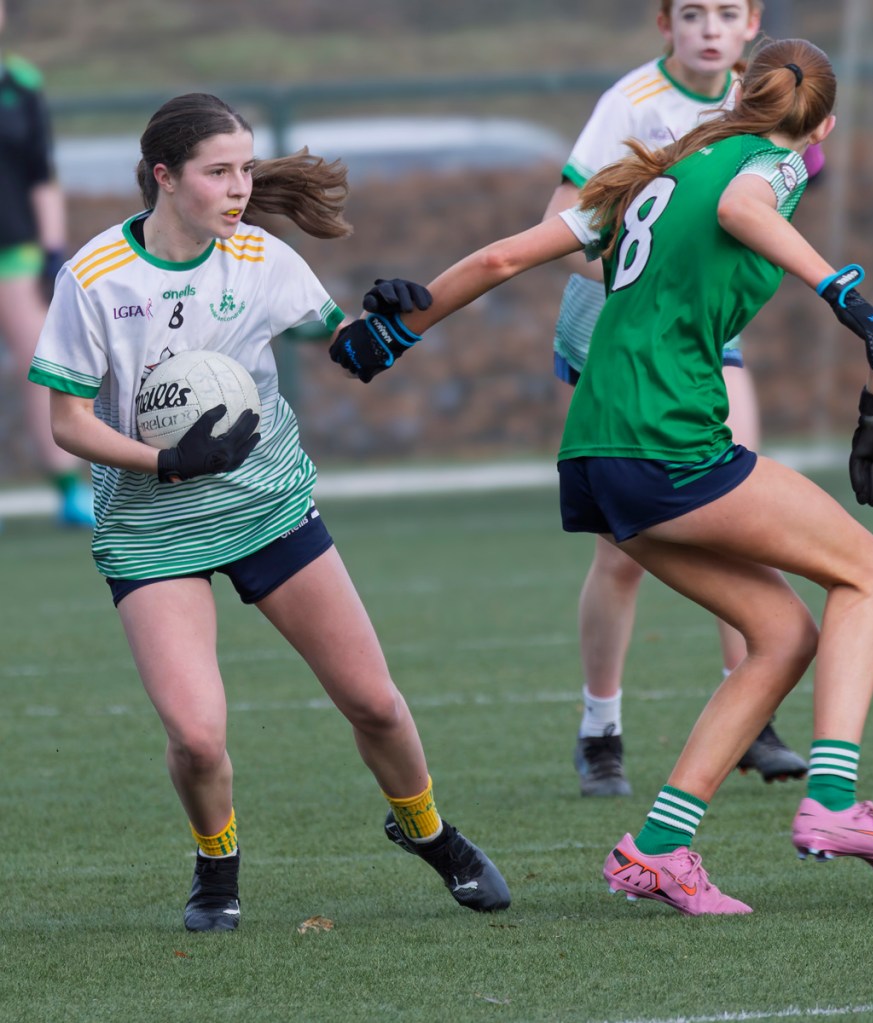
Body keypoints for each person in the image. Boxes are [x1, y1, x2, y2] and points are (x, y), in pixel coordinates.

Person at [331, 37, 873, 917]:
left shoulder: (650, 174)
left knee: (781, 634)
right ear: (820, 127)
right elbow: (748, 206)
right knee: (869, 571)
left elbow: (500, 260)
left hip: (594, 451)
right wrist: (840, 292)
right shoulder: (774, 166)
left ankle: (658, 850)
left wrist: (397, 331)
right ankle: (831, 802)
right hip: (666, 440)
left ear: (739, 96)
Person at [27, 93, 510, 932]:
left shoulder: (259, 256)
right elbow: (66, 422)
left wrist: (387, 317)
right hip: (152, 530)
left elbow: (346, 345)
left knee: (375, 703)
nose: (239, 188)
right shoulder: (95, 278)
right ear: (163, 176)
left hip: (267, 508)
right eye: (218, 172)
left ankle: (429, 831)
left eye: (246, 169)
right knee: (196, 736)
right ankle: (216, 865)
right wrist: (165, 461)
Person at [542, 0, 807, 795]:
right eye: (691, 13)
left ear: (752, 23)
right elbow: (560, 225)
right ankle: (599, 729)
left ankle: (751, 714)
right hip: (615, 329)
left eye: (726, 12)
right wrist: (646, 273)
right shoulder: (631, 103)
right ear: (665, 25)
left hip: (697, 332)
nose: (708, 28)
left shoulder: (764, 101)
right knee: (619, 552)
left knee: (738, 512)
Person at [0, 0, 94, 527]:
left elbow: (42, 174)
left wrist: (53, 252)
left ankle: (67, 489)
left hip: (16, 252)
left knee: (41, 368)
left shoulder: (21, 83)